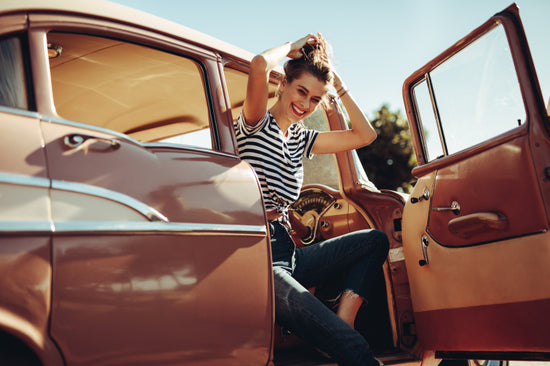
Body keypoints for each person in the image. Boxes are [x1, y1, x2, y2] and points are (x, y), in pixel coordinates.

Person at [234, 33, 389, 366]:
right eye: (301, 91)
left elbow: (365, 135)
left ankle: (342, 320)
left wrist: (338, 84)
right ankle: (340, 333)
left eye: (315, 99)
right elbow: (259, 65)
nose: (305, 104)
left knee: (375, 241)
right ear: (284, 84)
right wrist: (292, 47)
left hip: (289, 254)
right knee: (354, 348)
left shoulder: (301, 138)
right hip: (259, 260)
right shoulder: (255, 123)